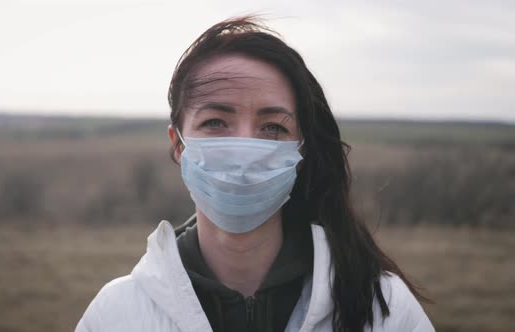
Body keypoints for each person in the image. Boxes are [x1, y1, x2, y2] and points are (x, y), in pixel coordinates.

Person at [75, 16, 434, 332]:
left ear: (302, 148)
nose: (244, 150)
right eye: (215, 122)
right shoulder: (116, 316)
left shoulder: (383, 309)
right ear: (179, 144)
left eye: (273, 127)